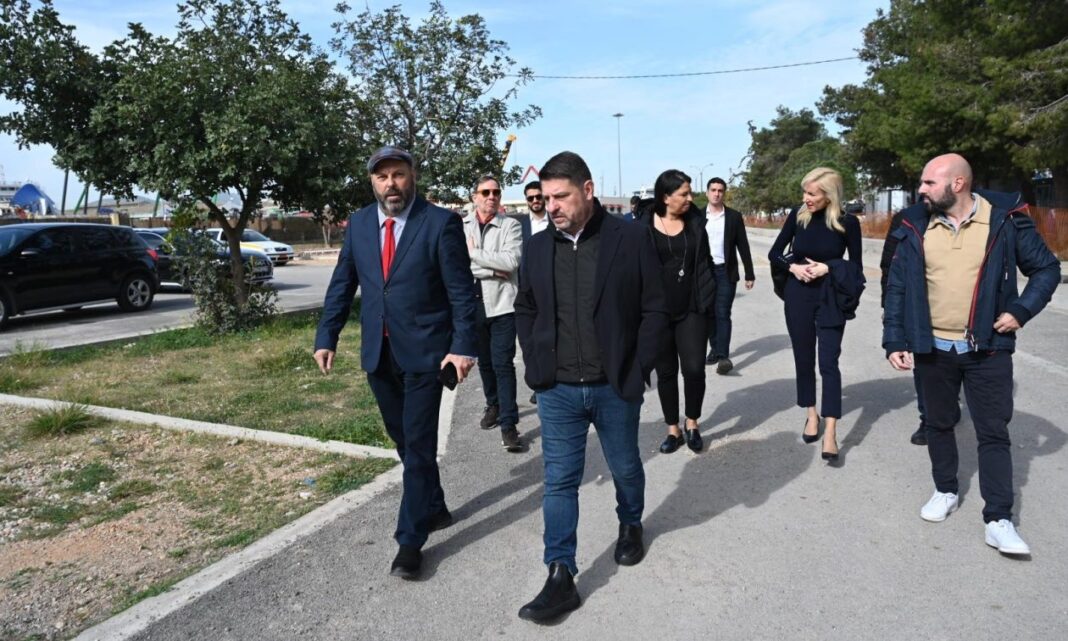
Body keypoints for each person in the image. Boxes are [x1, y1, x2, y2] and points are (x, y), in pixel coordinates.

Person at [514, 151, 668, 623]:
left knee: (625, 467)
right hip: (557, 389)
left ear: (588, 189)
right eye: (546, 198)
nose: (551, 206)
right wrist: (536, 362)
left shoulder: (631, 237)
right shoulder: (537, 247)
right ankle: (560, 573)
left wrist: (638, 368)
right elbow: (526, 308)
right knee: (560, 480)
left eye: (561, 197)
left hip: (613, 385)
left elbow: (655, 308)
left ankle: (631, 522)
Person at [313, 146, 478, 579]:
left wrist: (462, 347)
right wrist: (327, 335)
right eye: (382, 176)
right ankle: (435, 505)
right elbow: (343, 282)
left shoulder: (440, 223)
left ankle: (410, 541)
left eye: (399, 175)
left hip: (426, 354)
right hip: (379, 354)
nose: (391, 184)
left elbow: (462, 293)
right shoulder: (360, 224)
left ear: (412, 177)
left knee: (418, 444)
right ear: (372, 182)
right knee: (404, 440)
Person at [883, 153, 1059, 555]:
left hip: (988, 349)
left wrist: (1021, 310)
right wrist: (895, 340)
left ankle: (998, 519)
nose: (921, 190)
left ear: (958, 184)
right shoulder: (914, 224)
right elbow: (897, 286)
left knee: (993, 432)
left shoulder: (1005, 220)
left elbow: (1046, 269)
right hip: (932, 348)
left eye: (929, 183)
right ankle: (945, 490)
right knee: (939, 424)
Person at [768, 167, 863, 463]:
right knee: (804, 357)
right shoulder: (798, 216)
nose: (805, 198)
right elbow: (774, 253)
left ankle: (831, 430)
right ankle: (812, 414)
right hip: (798, 295)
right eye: (804, 192)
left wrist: (829, 267)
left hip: (831, 297)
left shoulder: (848, 222)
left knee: (829, 363)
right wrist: (793, 268)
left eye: (811, 193)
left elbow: (856, 267)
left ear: (829, 195)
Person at [643, 170, 715, 454]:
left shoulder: (696, 224)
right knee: (666, 372)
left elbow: (705, 262)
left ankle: (692, 422)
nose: (690, 198)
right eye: (683, 194)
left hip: (692, 308)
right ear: (665, 197)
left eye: (690, 192)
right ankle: (672, 429)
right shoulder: (643, 226)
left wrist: (710, 296)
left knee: (694, 368)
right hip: (657, 312)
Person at [462, 175, 524, 451]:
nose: (491, 197)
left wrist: (474, 255)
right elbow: (457, 264)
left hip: (502, 306)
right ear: (474, 196)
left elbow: (510, 262)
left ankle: (509, 424)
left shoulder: (510, 225)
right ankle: (493, 405)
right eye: (485, 192)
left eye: (496, 192)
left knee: (503, 364)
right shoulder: (461, 226)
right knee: (485, 364)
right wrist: (492, 269)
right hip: (473, 305)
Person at [702, 177, 756, 374]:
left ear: (724, 193)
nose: (717, 194)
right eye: (713, 190)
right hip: (705, 273)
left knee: (723, 312)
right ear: (707, 192)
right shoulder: (698, 216)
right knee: (709, 313)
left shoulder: (733, 217)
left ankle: (723, 356)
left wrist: (749, 273)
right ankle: (715, 349)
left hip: (726, 271)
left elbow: (743, 245)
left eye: (720, 190)